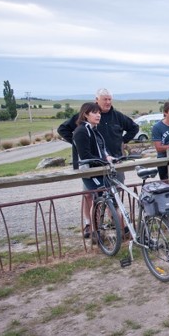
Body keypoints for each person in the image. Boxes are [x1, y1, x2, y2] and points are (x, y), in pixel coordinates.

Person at [58, 88, 139, 238]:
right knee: (91, 196)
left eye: (110, 99)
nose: (107, 102)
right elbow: (63, 129)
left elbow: (134, 128)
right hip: (91, 166)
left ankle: (116, 225)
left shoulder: (117, 117)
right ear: (96, 100)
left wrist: (122, 140)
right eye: (104, 100)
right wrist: (78, 143)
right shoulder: (84, 121)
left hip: (112, 162)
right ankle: (91, 227)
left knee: (113, 193)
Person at [72, 102, 112, 237]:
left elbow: (101, 150)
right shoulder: (81, 131)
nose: (98, 115)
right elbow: (85, 156)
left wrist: (108, 157)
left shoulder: (94, 130)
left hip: (99, 169)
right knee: (97, 198)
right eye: (95, 113)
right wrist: (103, 161)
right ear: (85, 114)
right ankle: (95, 232)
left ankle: (99, 229)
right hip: (89, 171)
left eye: (99, 113)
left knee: (102, 198)